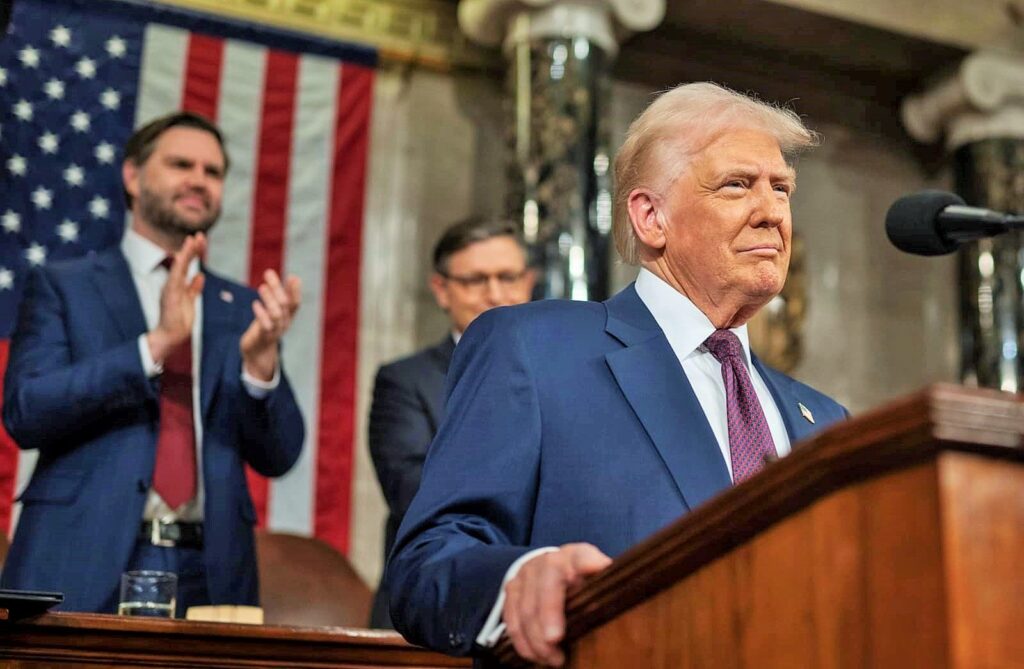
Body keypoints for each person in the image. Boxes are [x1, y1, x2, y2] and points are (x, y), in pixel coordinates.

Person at [386, 82, 849, 665]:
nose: (772, 213)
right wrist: (521, 580)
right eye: (737, 185)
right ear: (651, 217)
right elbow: (425, 564)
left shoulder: (826, 421)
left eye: (782, 188)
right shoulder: (534, 350)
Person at [1, 112, 305, 616]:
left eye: (212, 171)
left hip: (209, 573)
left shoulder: (240, 308)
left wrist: (259, 368)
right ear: (132, 175)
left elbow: (280, 455)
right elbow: (26, 411)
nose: (199, 180)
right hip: (79, 556)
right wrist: (155, 345)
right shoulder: (65, 285)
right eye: (181, 164)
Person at [368, 217, 535, 628]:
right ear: (441, 290)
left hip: (539, 608)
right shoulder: (404, 381)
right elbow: (415, 494)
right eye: (476, 280)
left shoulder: (563, 375)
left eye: (507, 277)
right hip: (433, 610)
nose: (495, 294)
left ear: (529, 283)